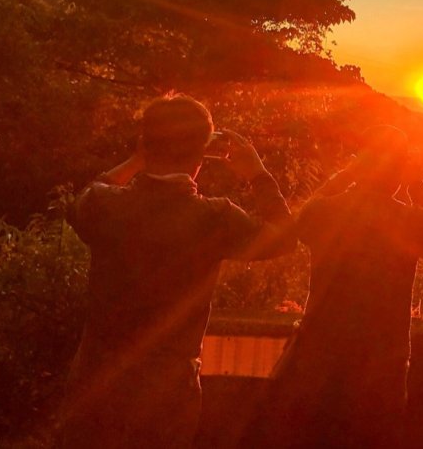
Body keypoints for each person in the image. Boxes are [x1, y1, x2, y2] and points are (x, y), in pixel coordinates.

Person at [61, 93, 293, 449]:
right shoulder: (215, 218)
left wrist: (137, 160)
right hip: (168, 392)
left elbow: (84, 199)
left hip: (95, 384)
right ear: (203, 154)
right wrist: (257, 174)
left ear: (144, 143)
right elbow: (284, 239)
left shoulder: (105, 205)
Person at [266, 125, 423, 449]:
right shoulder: (411, 219)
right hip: (385, 356)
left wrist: (344, 175)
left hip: (318, 351)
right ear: (399, 172)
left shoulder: (325, 212)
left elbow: (299, 220)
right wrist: (418, 186)